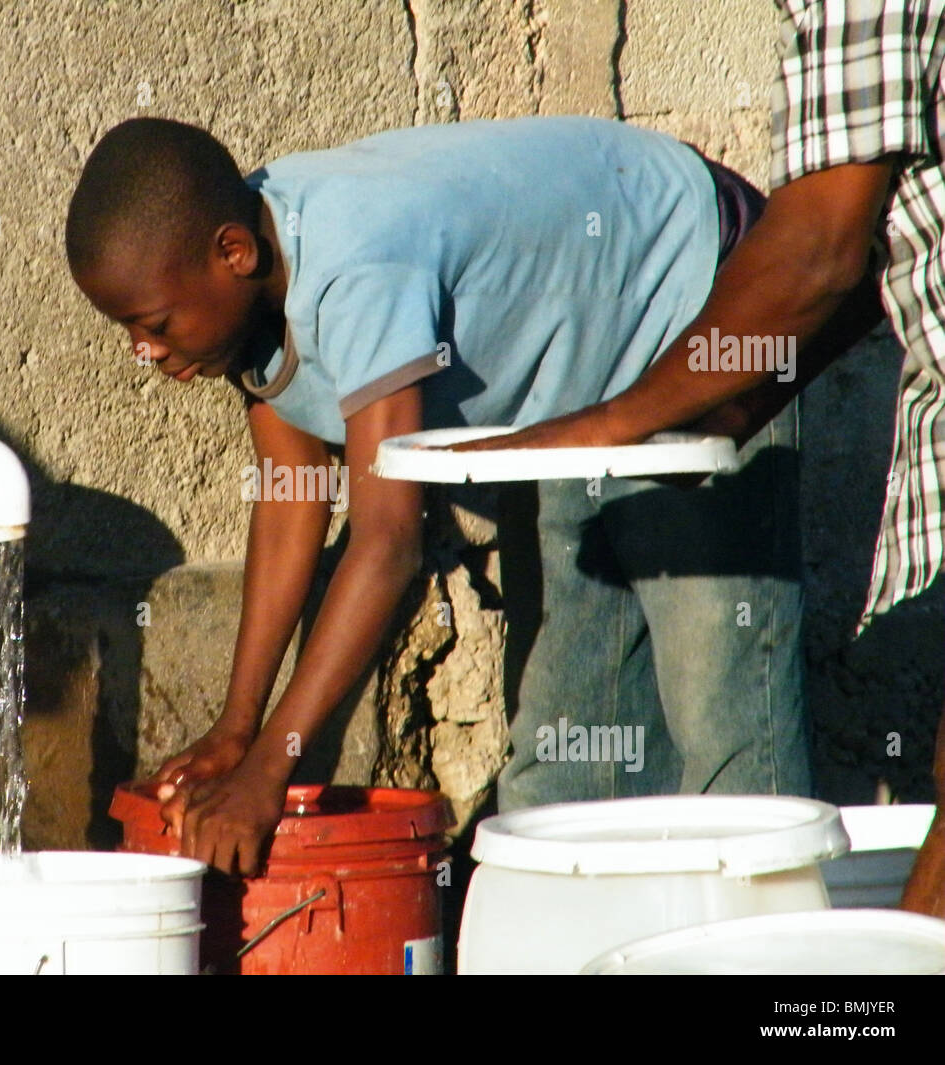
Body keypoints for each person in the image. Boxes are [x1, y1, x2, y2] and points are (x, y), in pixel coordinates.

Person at [65, 114, 818, 875]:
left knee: (723, 722)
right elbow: (293, 500)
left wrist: (269, 770)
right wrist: (236, 729)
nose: (143, 351)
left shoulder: (353, 269)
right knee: (567, 753)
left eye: (153, 324)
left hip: (696, 301)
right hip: (582, 390)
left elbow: (388, 541)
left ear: (233, 252)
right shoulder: (245, 283)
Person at [460, 0, 944, 917]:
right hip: (667, 368)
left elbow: (818, 250)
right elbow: (859, 263)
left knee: (734, 741)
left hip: (674, 341)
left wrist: (617, 421)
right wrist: (726, 407)